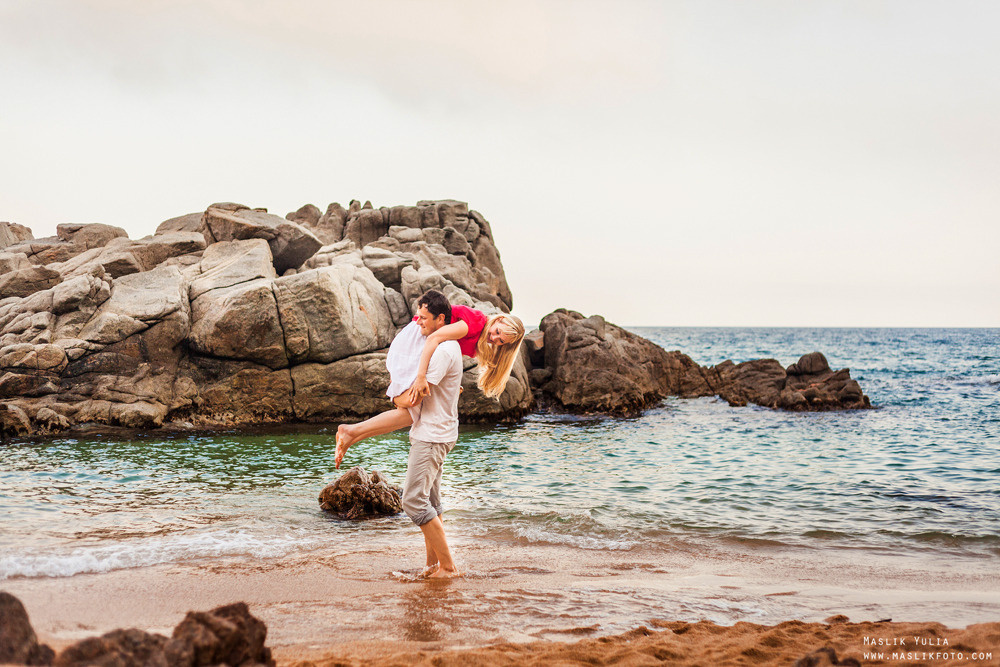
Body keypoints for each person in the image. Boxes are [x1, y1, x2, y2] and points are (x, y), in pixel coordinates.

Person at [335, 297, 465, 578]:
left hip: (432, 437)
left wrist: (394, 394)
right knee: (430, 502)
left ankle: (448, 567)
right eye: (417, 317)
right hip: (433, 432)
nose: (417, 322)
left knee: (413, 502)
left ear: (441, 320)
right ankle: (433, 566)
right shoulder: (443, 347)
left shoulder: (444, 351)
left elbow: (412, 397)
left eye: (423, 318)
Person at [335, 289, 525, 452]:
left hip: (425, 345)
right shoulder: (475, 323)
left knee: (409, 415)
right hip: (419, 337)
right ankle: (393, 396)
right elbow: (434, 338)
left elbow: (447, 357)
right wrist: (419, 377)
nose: (495, 338)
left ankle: (351, 434)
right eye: (498, 332)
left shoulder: (481, 341)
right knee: (412, 402)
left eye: (501, 341)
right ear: (498, 320)